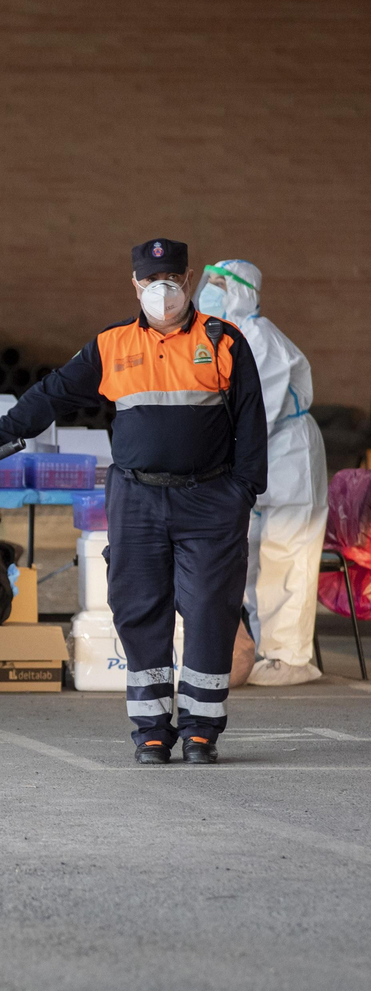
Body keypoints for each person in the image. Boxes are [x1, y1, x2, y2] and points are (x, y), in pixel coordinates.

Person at [0, 239, 266, 764]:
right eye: (150, 280)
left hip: (211, 499)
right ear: (134, 283)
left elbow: (252, 427)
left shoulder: (225, 342)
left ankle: (201, 730)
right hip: (137, 499)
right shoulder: (112, 345)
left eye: (170, 277)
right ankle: (151, 729)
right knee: (137, 609)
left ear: (188, 277)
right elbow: (52, 393)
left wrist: (242, 494)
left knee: (210, 611)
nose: (161, 289)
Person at [198, 260, 329, 685]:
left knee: (287, 555)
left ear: (242, 292)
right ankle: (264, 648)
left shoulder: (261, 338)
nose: (210, 291)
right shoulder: (220, 338)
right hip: (257, 461)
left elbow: (258, 414)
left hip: (288, 455)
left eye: (220, 284)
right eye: (210, 282)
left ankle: (289, 657)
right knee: (253, 557)